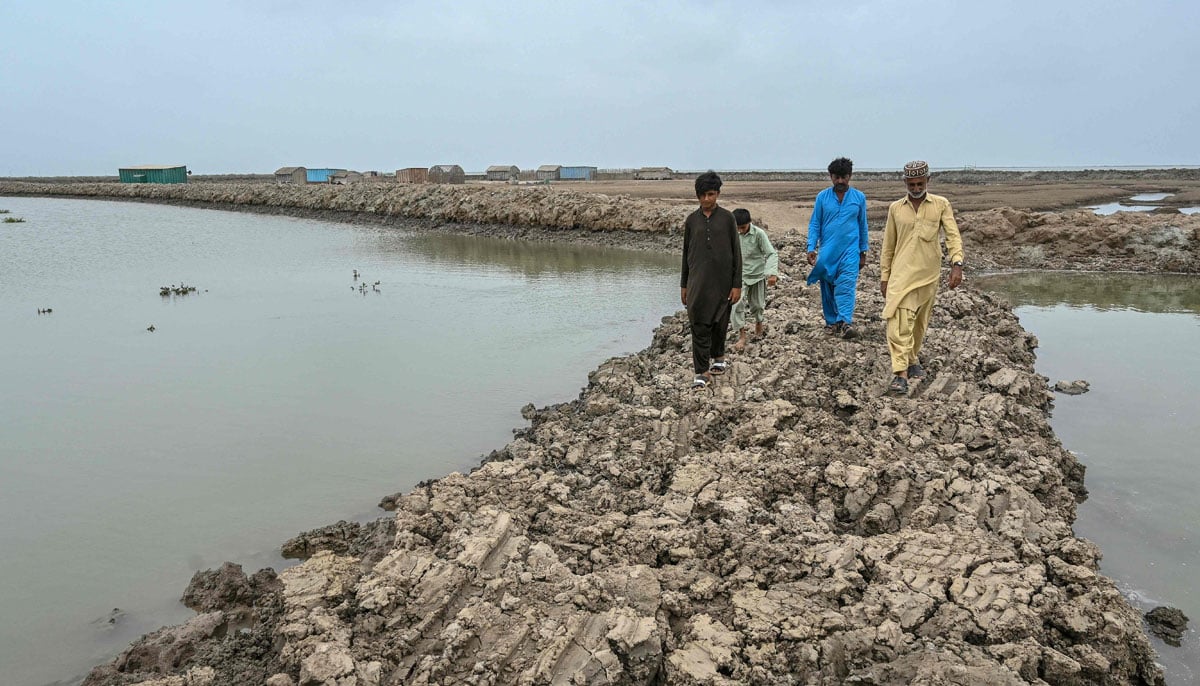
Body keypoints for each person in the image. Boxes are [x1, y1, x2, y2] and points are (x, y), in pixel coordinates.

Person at [880, 160, 964, 395]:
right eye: (911, 183)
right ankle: (900, 373)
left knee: (918, 323)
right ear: (905, 182)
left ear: (928, 180)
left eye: (920, 183)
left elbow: (952, 236)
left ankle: (912, 358)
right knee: (897, 320)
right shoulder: (895, 208)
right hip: (901, 275)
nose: (916, 188)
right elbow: (888, 245)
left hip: (928, 274)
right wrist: (884, 276)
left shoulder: (940, 205)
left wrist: (956, 264)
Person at [681, 171, 742, 388]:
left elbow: (737, 254)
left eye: (711, 194)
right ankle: (701, 371)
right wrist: (684, 285)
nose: (706, 199)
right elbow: (686, 254)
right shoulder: (691, 221)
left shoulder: (727, 219)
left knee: (720, 323)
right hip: (698, 283)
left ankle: (718, 357)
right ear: (697, 196)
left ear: (717, 194)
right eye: (702, 195)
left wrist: (737, 284)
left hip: (723, 282)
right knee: (698, 322)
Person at [806, 157, 869, 338]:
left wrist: (863, 251)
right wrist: (811, 247)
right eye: (836, 177)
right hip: (828, 251)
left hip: (851, 251)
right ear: (831, 177)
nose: (840, 181)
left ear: (849, 176)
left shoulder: (859, 198)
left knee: (846, 284)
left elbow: (863, 225)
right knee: (827, 286)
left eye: (844, 177)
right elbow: (815, 223)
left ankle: (844, 321)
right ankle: (831, 321)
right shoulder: (822, 197)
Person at [729, 208, 779, 352]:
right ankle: (742, 335)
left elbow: (771, 253)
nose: (740, 231)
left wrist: (771, 273)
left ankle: (758, 322)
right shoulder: (731, 234)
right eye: (737, 228)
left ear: (749, 223)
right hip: (739, 277)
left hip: (757, 275)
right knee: (736, 305)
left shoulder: (759, 234)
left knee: (757, 305)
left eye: (743, 228)